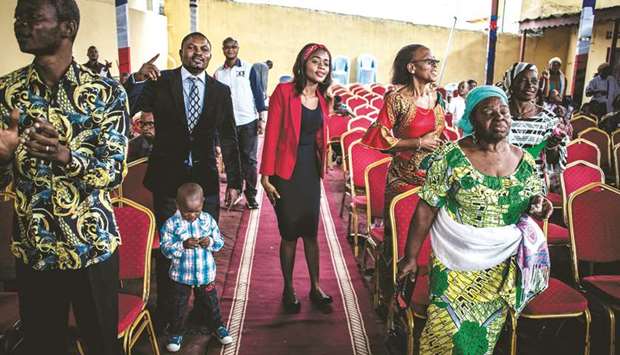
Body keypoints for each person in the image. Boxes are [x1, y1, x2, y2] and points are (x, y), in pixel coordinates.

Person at [0, 1, 128, 354]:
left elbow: (114, 171)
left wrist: (66, 157)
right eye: (17, 19)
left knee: (102, 345)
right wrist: (3, 159)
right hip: (34, 249)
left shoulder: (106, 93)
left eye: (32, 18)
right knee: (43, 347)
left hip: (92, 247)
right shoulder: (7, 93)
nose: (20, 25)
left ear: (68, 27)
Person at [399, 85, 551, 354]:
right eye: (488, 112)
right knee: (445, 333)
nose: (499, 116)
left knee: (481, 340)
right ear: (471, 119)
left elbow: (535, 201)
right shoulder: (451, 157)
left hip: (501, 266)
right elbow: (426, 208)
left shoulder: (525, 161)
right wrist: (411, 257)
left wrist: (541, 206)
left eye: (503, 110)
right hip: (455, 263)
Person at [124, 32, 242, 330]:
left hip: (205, 182)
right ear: (181, 52)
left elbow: (228, 137)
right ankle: (167, 314)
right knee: (170, 248)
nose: (198, 53)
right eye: (192, 47)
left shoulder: (219, 91)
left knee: (204, 247)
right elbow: (129, 105)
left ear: (210, 55)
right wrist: (137, 78)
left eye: (204, 48)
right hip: (167, 180)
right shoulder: (160, 81)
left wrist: (237, 180)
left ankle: (203, 314)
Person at [361, 44, 445, 298]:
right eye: (428, 61)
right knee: (398, 243)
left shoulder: (438, 97)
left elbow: (440, 136)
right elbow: (379, 140)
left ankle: (423, 296)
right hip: (403, 182)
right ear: (412, 67)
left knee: (432, 244)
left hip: (432, 181)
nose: (434, 65)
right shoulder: (396, 100)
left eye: (434, 61)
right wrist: (418, 143)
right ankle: (389, 299)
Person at [260, 43, 333, 312]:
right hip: (285, 172)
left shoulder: (324, 99)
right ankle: (289, 288)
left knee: (312, 233)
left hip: (310, 173)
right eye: (316, 61)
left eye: (326, 62)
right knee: (290, 233)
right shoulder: (283, 92)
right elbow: (272, 135)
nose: (322, 66)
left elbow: (320, 138)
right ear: (303, 63)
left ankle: (315, 286)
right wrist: (265, 176)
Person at [160, 183, 232, 352]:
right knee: (178, 305)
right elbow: (165, 249)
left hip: (205, 273)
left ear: (203, 203)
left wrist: (211, 242)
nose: (192, 215)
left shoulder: (208, 220)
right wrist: (182, 245)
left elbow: (220, 242)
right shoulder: (171, 224)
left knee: (211, 302)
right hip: (180, 275)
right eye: (187, 212)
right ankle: (176, 332)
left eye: (196, 211)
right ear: (178, 205)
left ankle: (218, 326)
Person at [214, 37, 267, 209]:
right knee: (230, 160)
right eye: (227, 47)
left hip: (248, 121)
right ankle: (234, 192)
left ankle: (251, 196)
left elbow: (258, 95)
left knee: (249, 160)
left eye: (234, 47)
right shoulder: (218, 73)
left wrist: (261, 118)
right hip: (227, 123)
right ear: (223, 49)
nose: (230, 50)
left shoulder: (248, 68)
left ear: (238, 48)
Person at [502, 62, 569, 193]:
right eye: (522, 80)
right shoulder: (499, 115)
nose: (530, 85)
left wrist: (553, 146)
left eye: (534, 81)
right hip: (500, 186)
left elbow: (553, 162)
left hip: (532, 190)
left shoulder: (548, 119)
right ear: (511, 83)